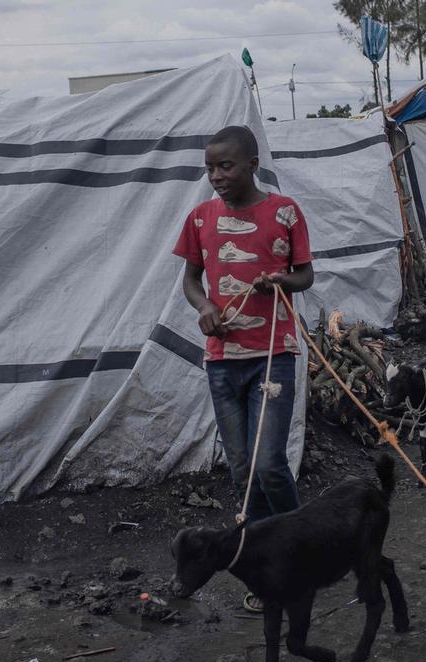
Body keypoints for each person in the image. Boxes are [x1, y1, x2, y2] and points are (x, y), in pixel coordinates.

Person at [174, 125, 314, 613]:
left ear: (253, 164)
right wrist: (204, 308)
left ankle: (304, 555)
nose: (216, 176)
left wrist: (281, 280)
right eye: (210, 167)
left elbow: (305, 274)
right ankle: (263, 567)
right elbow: (191, 280)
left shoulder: (285, 212)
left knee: (271, 463)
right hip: (222, 362)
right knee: (241, 469)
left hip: (274, 354)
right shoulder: (199, 220)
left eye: (226, 166)